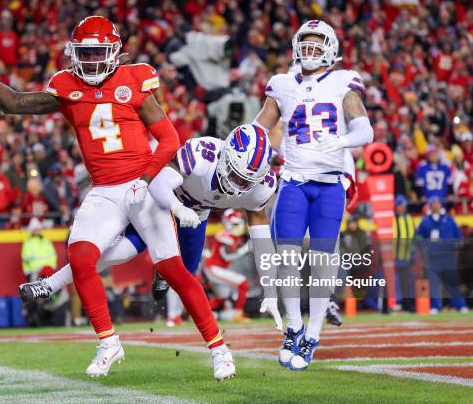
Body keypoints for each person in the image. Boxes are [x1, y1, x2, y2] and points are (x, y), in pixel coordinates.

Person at [0, 16, 234, 380]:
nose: (89, 60)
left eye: (97, 52)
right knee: (82, 256)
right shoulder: (66, 85)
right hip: (104, 188)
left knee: (172, 269)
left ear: (114, 53)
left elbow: (169, 138)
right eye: (84, 52)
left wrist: (148, 178)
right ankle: (108, 342)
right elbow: (14, 103)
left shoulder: (134, 80)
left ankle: (219, 349)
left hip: (141, 183)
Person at [20, 124, 282, 331]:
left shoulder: (260, 186)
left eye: (247, 181)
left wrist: (269, 289)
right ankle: (50, 284)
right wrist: (178, 209)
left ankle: (163, 272)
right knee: (123, 251)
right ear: (226, 157)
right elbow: (158, 186)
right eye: (236, 175)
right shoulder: (202, 156)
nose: (238, 186)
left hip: (197, 213)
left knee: (185, 277)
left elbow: (261, 239)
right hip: (160, 202)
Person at [253, 20, 374, 370]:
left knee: (322, 264)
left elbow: (364, 129)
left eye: (316, 44)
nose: (309, 50)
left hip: (329, 184)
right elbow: (260, 127)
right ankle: (293, 326)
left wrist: (342, 140)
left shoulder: (342, 82)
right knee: (287, 259)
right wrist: (243, 144)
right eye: (304, 44)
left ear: (331, 48)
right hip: (292, 181)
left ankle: (313, 334)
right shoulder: (282, 84)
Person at [415, 196, 468, 314]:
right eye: (433, 203)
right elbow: (418, 238)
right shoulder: (425, 222)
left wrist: (454, 244)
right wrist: (425, 247)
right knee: (433, 283)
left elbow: (458, 237)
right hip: (433, 258)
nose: (435, 205)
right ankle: (435, 306)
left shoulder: (449, 220)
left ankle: (460, 305)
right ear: (429, 205)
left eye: (437, 203)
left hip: (448, 256)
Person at [203, 209, 252, 323]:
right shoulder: (225, 235)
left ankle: (199, 314)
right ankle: (238, 314)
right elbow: (226, 256)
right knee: (242, 283)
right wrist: (244, 250)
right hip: (213, 268)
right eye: (235, 223)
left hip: (216, 269)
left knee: (222, 298)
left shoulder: (233, 236)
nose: (238, 227)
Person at [393, 195, 416, 312]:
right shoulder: (392, 219)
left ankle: (408, 305)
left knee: (407, 282)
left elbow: (414, 239)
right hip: (394, 257)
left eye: (404, 206)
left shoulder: (409, 219)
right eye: (400, 205)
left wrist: (413, 253)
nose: (402, 208)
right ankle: (396, 304)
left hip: (406, 257)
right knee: (395, 283)